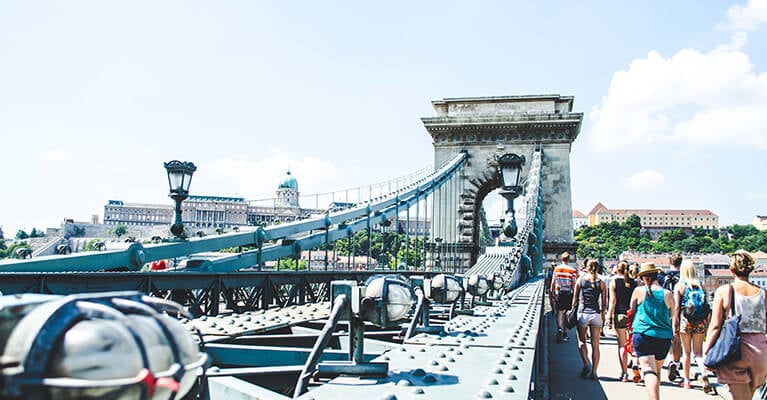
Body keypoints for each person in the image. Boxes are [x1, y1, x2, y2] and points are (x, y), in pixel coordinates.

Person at [703, 251, 767, 400]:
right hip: (761, 351)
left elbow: (715, 325)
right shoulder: (763, 293)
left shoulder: (725, 291)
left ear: (731, 270)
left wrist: (707, 351)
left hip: (736, 348)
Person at [630, 263, 675, 400]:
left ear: (643, 277)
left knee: (649, 371)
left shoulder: (639, 291)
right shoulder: (667, 294)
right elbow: (671, 315)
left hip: (642, 334)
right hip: (663, 337)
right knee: (657, 371)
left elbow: (632, 310)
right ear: (657, 276)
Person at [672, 259, 711, 390]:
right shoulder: (701, 285)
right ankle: (704, 372)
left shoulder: (680, 286)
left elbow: (677, 306)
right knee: (698, 353)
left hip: (685, 321)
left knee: (687, 353)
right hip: (700, 321)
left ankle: (687, 381)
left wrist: (674, 323)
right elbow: (707, 305)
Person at [572, 259, 607, 380]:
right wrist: (602, 317)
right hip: (596, 315)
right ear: (597, 268)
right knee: (595, 345)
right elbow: (603, 304)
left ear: (586, 267)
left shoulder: (580, 280)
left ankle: (586, 363)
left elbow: (575, 300)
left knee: (582, 341)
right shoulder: (601, 283)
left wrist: (572, 312)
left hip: (583, 314)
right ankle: (595, 372)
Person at [607, 261, 636, 382]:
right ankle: (635, 363)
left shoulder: (614, 282)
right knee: (634, 344)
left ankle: (624, 373)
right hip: (633, 315)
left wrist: (609, 316)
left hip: (619, 314)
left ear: (616, 270)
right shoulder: (634, 282)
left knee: (622, 345)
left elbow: (613, 301)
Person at [661, 253, 683, 381]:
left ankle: (670, 360)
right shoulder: (685, 277)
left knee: (668, 336)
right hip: (683, 311)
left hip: (667, 309)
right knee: (678, 338)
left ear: (670, 262)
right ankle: (677, 363)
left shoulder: (664, 277)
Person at [551, 252, 578, 343]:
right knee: (567, 313)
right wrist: (575, 295)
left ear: (561, 259)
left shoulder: (557, 269)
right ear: (568, 259)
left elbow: (553, 283)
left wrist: (553, 293)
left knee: (559, 312)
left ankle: (559, 328)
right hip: (568, 293)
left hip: (559, 292)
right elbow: (573, 284)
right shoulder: (572, 270)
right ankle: (565, 333)